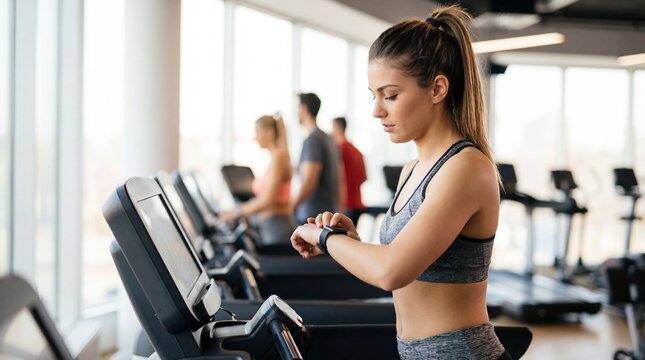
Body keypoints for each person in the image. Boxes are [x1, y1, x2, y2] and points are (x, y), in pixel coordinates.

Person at [290, 6, 510, 360]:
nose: (377, 110)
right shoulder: (412, 169)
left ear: (438, 88)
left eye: (390, 95)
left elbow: (391, 270)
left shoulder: (466, 167)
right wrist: (352, 244)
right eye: (373, 95)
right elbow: (402, 267)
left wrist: (325, 238)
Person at [220, 114, 295, 246]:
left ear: (270, 132)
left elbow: (267, 200)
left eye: (257, 131)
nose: (255, 137)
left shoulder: (280, 156)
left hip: (277, 226)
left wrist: (236, 213)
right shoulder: (275, 158)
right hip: (270, 224)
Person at [291, 93, 341, 224]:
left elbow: (309, 181)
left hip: (313, 215)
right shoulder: (328, 138)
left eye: (298, 108)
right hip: (327, 211)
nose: (296, 112)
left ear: (304, 109)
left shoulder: (312, 139)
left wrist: (291, 206)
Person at [331, 116, 367, 225]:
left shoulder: (338, 149)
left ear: (338, 128)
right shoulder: (356, 150)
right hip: (358, 203)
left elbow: (338, 178)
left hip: (345, 205)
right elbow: (365, 177)